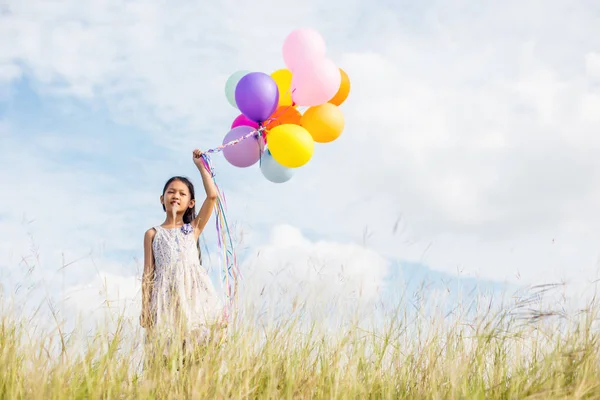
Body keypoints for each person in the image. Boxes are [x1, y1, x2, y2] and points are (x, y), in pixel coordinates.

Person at [140, 149, 226, 359]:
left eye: (182, 193)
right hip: (165, 297)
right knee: (165, 352)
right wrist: (145, 308)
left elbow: (212, 196)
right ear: (162, 198)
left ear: (191, 203)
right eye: (171, 192)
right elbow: (148, 274)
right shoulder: (152, 234)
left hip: (193, 294)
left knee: (198, 348)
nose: (176, 196)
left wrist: (200, 166)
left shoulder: (192, 229)